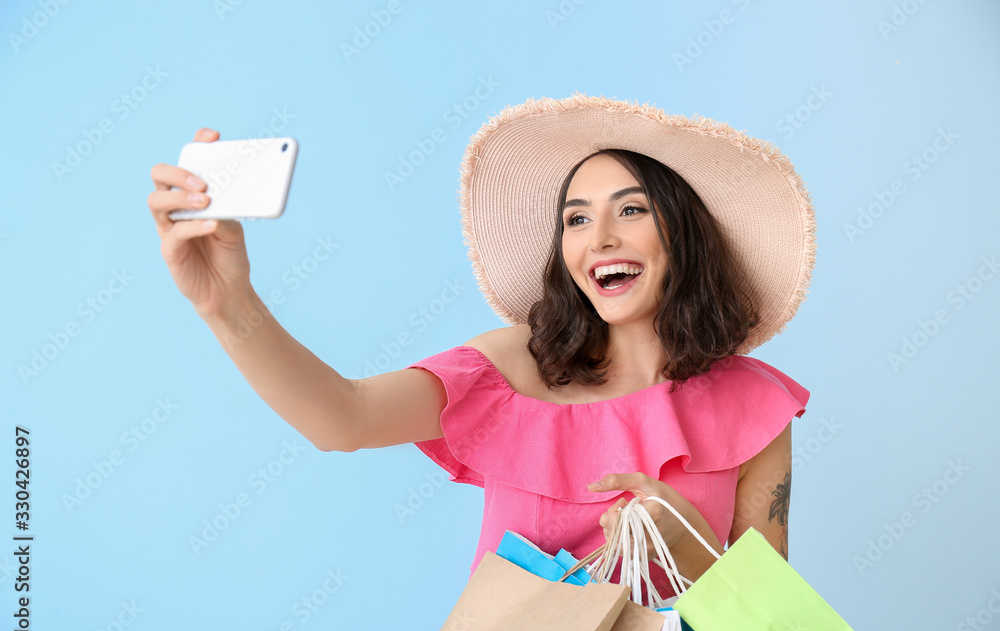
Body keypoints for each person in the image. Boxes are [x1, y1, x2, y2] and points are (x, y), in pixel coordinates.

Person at [147, 93, 815, 604]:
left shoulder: (755, 407)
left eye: (632, 209)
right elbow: (340, 417)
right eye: (576, 218)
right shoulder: (514, 366)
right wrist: (227, 304)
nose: (600, 236)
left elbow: (770, 628)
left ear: (686, 234)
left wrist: (685, 547)